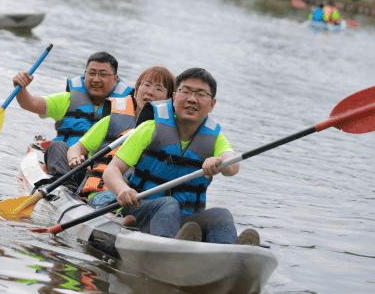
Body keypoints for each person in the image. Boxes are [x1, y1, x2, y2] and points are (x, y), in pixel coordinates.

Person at [94, 68, 259, 246]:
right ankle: (169, 250)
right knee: (168, 204)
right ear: (173, 97)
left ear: (212, 104)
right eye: (185, 91)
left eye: (201, 94)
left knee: (221, 215)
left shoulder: (215, 139)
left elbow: (232, 166)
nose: (192, 99)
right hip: (140, 210)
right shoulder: (150, 128)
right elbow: (111, 171)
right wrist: (122, 190)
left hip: (183, 220)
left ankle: (232, 259)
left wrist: (220, 162)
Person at [12, 52, 133, 188]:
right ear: (84, 74)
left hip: (99, 171)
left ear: (115, 79)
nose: (96, 79)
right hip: (66, 165)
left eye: (103, 75)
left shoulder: (127, 111)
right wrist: (21, 88)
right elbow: (30, 103)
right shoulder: (67, 100)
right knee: (56, 146)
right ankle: (66, 186)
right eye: (92, 73)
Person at [69, 66, 175, 201]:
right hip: (101, 192)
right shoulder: (113, 121)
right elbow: (77, 147)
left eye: (159, 89)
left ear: (169, 99)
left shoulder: (169, 135)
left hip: (139, 199)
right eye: (146, 85)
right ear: (137, 90)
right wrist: (74, 158)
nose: (150, 92)